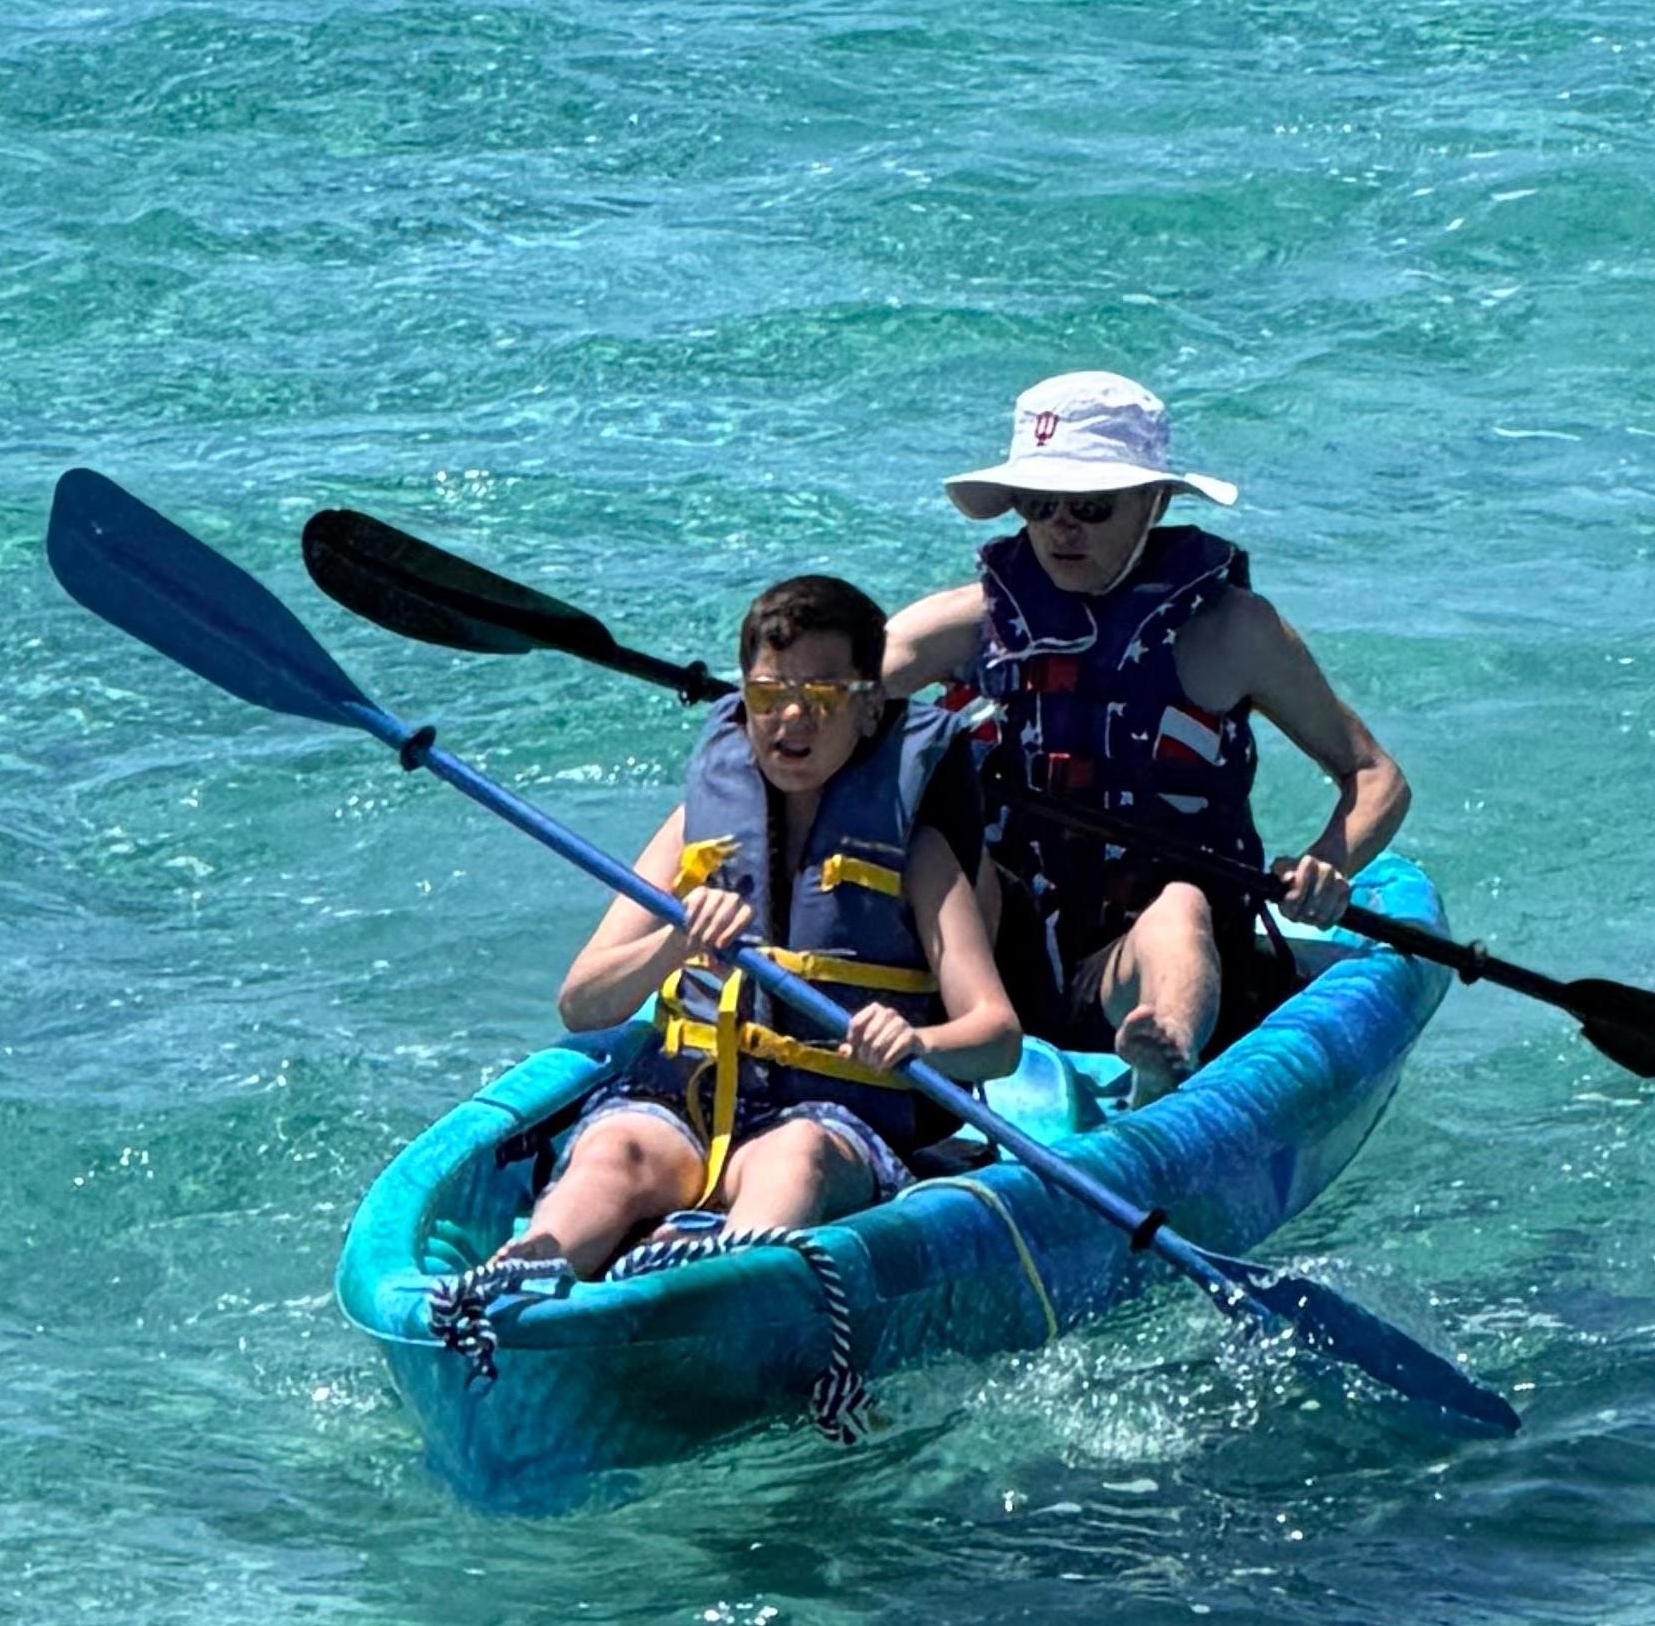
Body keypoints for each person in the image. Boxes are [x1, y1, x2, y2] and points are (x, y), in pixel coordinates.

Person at [887, 369, 1411, 1098]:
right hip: (998, 954)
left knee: (1180, 908)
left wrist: (1329, 862)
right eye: (1041, 506)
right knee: (941, 855)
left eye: (1093, 507)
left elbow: (1374, 775)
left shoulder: (1234, 631)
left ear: (1154, 502)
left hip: (1148, 952)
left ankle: (1161, 1062)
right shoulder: (963, 626)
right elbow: (819, 703)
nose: (1062, 528)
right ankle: (923, 1048)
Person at [502, 571, 1020, 1280]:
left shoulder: (918, 854)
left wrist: (918, 1041)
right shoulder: (694, 831)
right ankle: (521, 1273)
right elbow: (582, 1002)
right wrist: (675, 943)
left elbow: (997, 1038)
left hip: (834, 1120)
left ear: (870, 710)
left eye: (822, 695)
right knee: (610, 1150)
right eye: (770, 695)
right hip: (681, 1106)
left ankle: (716, 1281)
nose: (791, 720)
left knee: (794, 1154)